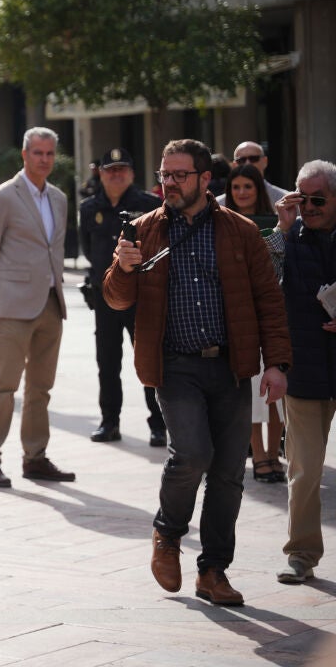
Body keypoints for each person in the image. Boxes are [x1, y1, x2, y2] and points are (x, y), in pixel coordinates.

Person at [104, 138, 290, 606]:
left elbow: (269, 300)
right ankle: (167, 535)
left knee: (228, 474)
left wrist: (276, 364)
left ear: (206, 179)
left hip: (231, 366)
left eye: (179, 175)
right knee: (191, 454)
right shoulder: (144, 230)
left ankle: (213, 571)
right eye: (164, 174)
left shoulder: (240, 231)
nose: (169, 183)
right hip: (175, 365)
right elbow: (116, 299)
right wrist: (123, 268)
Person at [0, 127, 75, 487]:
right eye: (37, 153)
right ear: (24, 155)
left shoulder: (59, 198)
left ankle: (35, 457)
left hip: (51, 303)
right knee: (4, 385)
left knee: (41, 388)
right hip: (12, 307)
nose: (44, 159)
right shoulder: (2, 196)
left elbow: (53, 250)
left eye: (49, 153)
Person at [273, 159, 336, 585]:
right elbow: (263, 281)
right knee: (304, 470)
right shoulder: (286, 238)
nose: (308, 208)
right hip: (305, 370)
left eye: (318, 200)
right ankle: (301, 554)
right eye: (302, 198)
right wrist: (282, 227)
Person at [78, 148, 166, 445]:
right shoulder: (89, 207)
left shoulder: (150, 204)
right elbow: (88, 249)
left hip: (141, 297)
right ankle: (109, 422)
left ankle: (159, 425)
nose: (116, 175)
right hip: (105, 296)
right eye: (110, 170)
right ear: (101, 174)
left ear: (131, 173)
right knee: (107, 362)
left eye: (122, 169)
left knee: (148, 360)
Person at [224, 163, 287, 483]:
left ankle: (274, 454)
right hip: (239, 319)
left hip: (274, 315)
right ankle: (258, 455)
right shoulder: (222, 224)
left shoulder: (277, 223)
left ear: (258, 189)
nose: (242, 192)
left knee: (275, 392)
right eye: (236, 187)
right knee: (250, 392)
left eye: (248, 186)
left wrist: (280, 230)